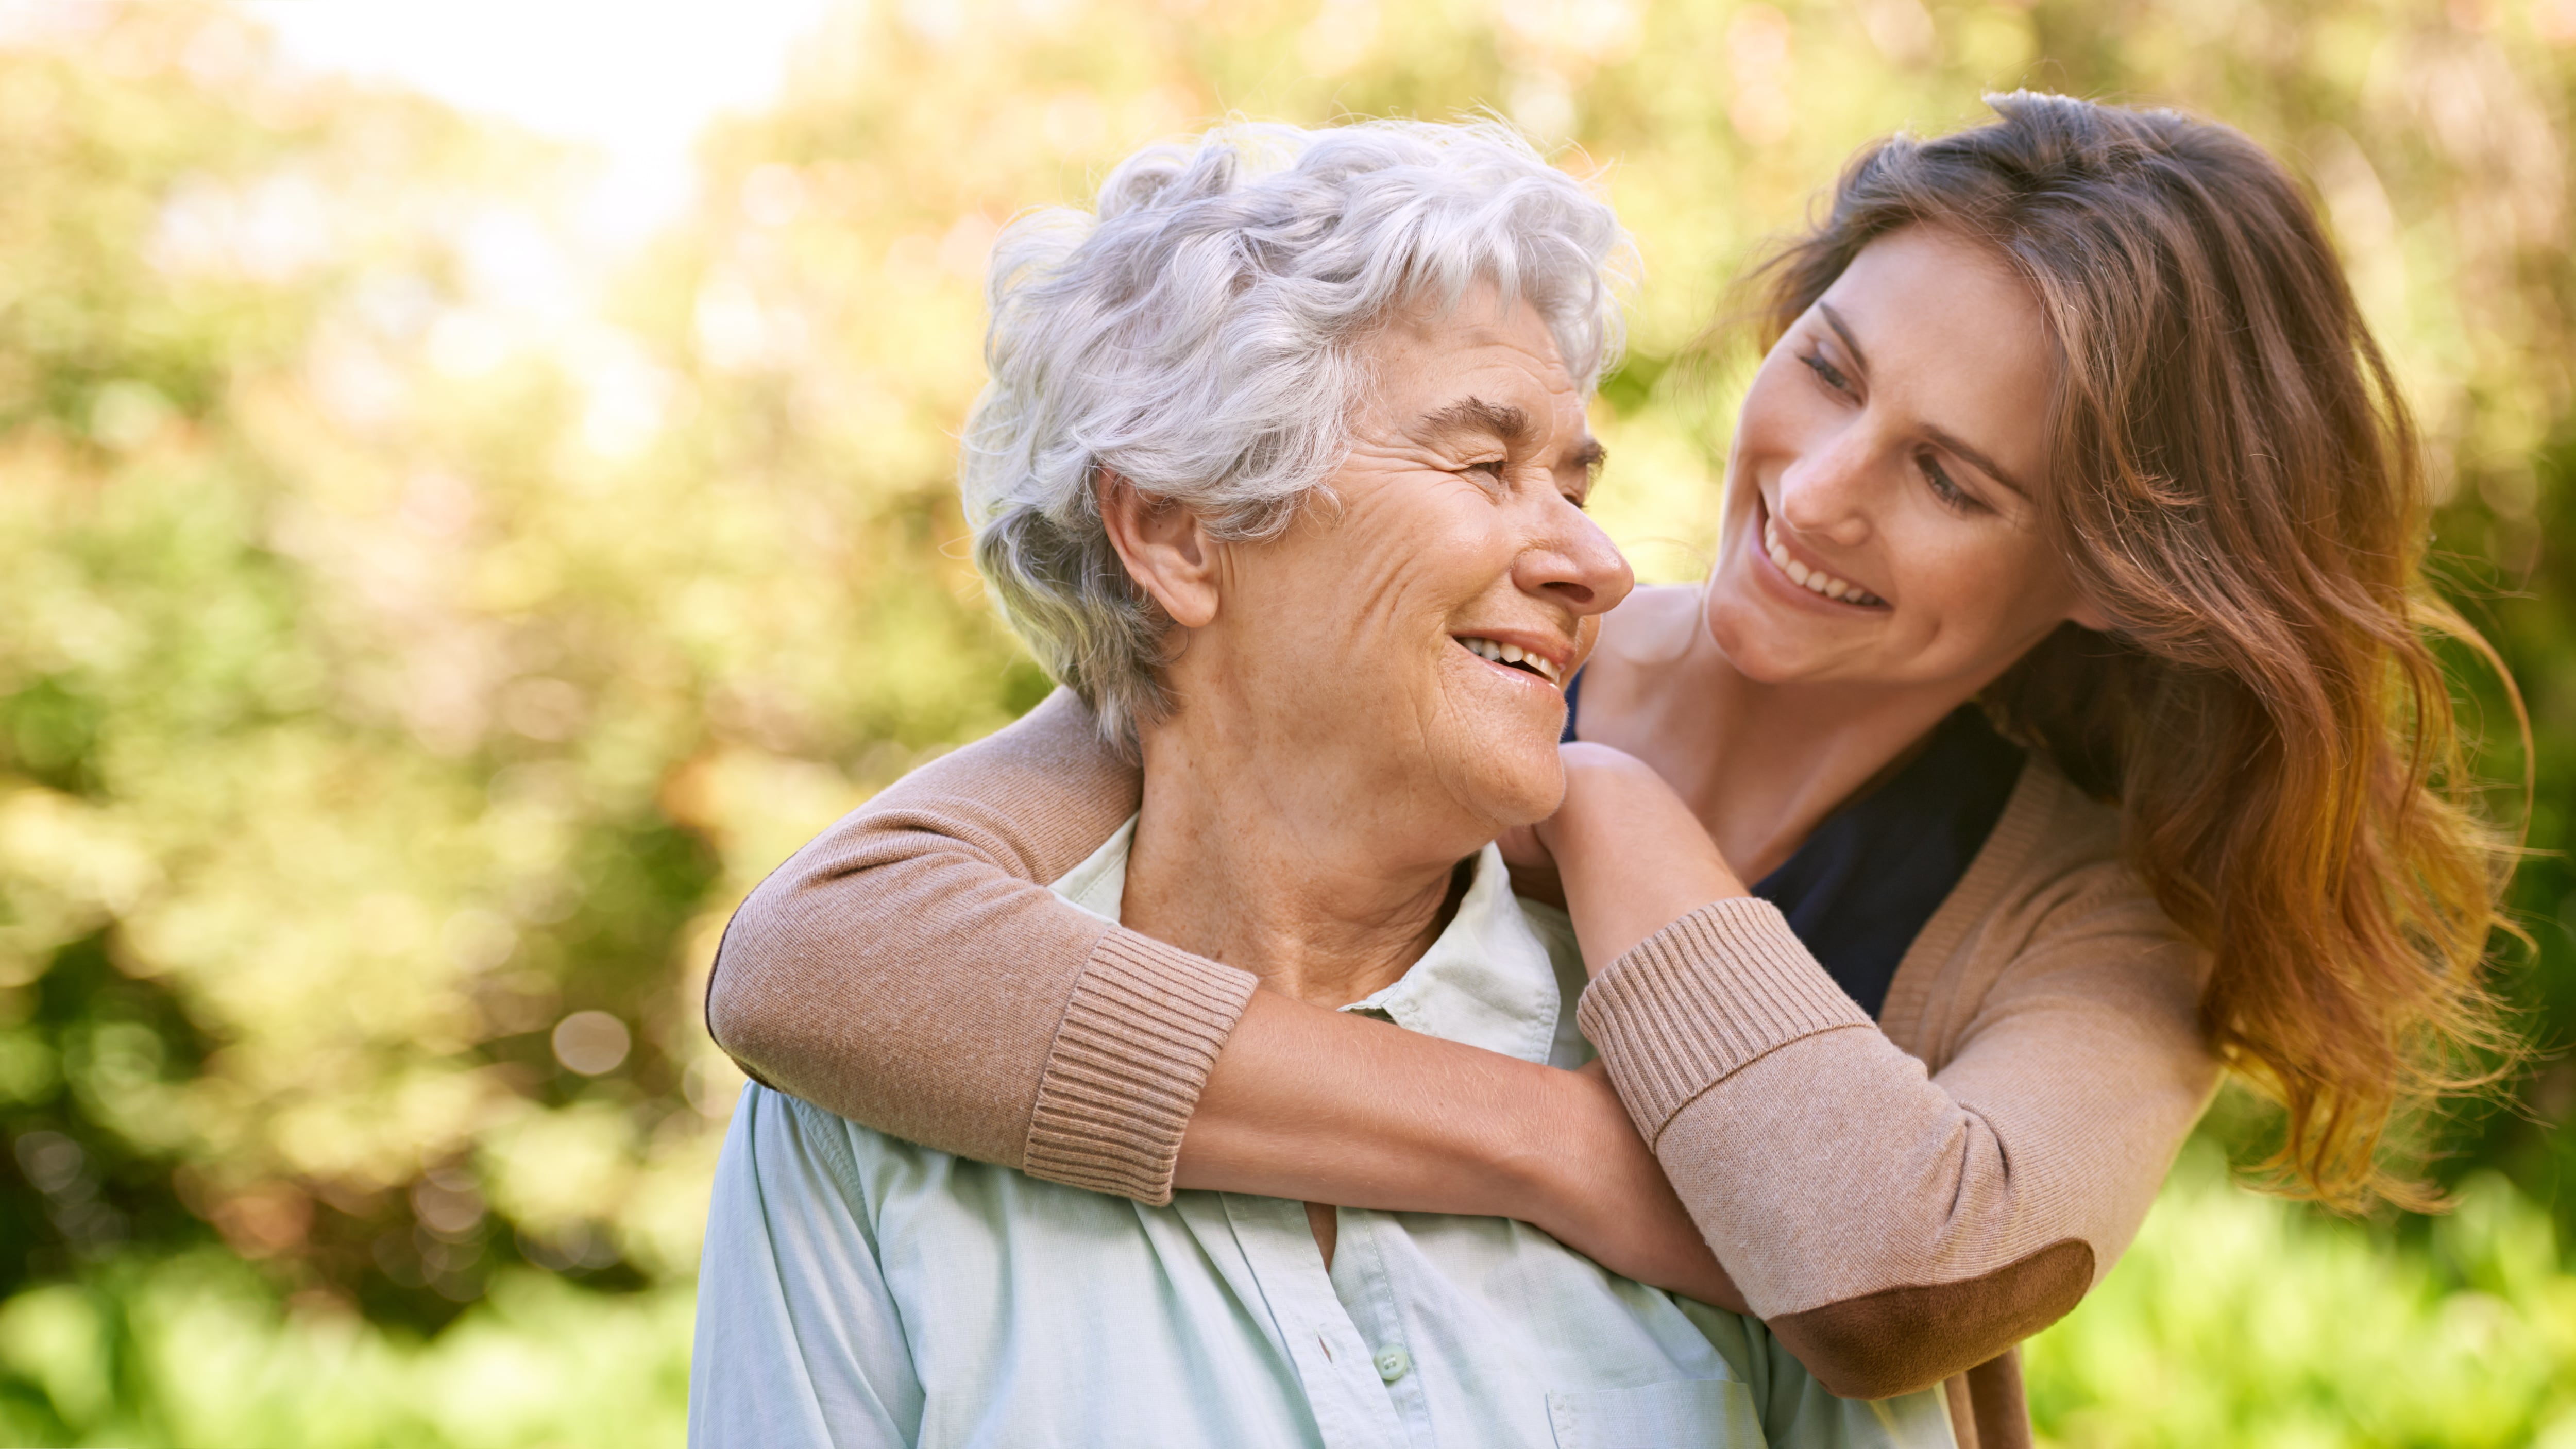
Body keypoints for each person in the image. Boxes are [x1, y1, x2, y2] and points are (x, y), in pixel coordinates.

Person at [705, 95, 2513, 1447]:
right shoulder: (1430, 652)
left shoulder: (2082, 916)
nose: (1813, 493)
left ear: (2115, 566)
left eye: (1954, 480)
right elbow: (821, 959)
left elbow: (1900, 1275)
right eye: (1827, 369)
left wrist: (1610, 803)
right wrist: (1572, 1153)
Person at [689, 119, 1956, 1448]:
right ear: (1178, 531)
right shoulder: (859, 1130)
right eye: (1484, 464)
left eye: (1578, 480)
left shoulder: (1722, 1111)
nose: (1600, 561)